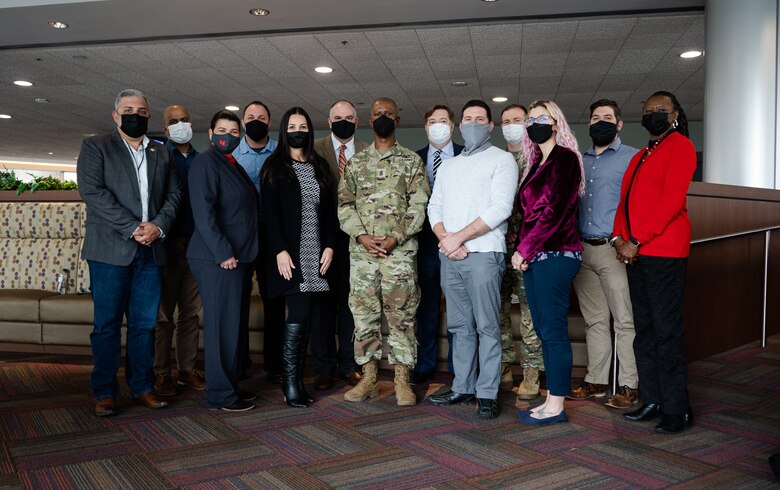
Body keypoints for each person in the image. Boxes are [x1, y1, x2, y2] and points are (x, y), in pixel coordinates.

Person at [77, 88, 181, 417]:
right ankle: (106, 391)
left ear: (149, 115)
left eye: (141, 110)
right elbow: (92, 191)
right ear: (116, 115)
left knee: (144, 325)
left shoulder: (162, 153)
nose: (135, 114)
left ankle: (142, 387)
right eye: (128, 109)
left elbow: (175, 195)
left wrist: (158, 227)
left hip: (151, 252)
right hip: (110, 252)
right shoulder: (96, 146)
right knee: (106, 326)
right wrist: (134, 228)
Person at [427, 100, 518, 420]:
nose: (473, 123)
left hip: (484, 254)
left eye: (480, 119)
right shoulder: (449, 165)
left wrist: (458, 238)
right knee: (459, 326)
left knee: (487, 326)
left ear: (490, 126)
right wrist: (445, 239)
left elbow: (500, 208)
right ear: (460, 126)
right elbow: (433, 207)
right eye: (468, 119)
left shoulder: (503, 160)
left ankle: (488, 392)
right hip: (450, 255)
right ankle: (463, 386)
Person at [338, 96, 430, 406]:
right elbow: (345, 204)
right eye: (377, 113)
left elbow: (419, 204)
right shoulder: (356, 162)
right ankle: (369, 377)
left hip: (399, 253)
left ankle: (402, 378)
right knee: (364, 315)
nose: (383, 118)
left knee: (401, 315)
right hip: (363, 254)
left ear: (397, 120)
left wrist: (396, 237)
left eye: (388, 114)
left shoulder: (410, 161)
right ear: (369, 119)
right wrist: (361, 235)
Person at [614, 91, 696, 434]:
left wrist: (637, 239)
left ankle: (677, 408)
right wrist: (619, 237)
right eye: (648, 111)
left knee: (666, 333)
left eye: (660, 110)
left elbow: (671, 201)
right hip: (636, 254)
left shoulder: (680, 146)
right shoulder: (642, 155)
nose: (653, 115)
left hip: (663, 252)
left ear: (675, 114)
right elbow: (625, 202)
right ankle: (652, 399)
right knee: (644, 332)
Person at [512, 99, 584, 426]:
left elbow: (555, 211)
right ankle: (551, 397)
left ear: (556, 123)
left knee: (553, 331)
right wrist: (525, 251)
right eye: (531, 118)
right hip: (537, 255)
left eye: (542, 117)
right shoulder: (538, 162)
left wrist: (524, 249)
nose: (535, 122)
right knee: (542, 328)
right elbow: (528, 216)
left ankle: (556, 405)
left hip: (557, 253)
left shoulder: (565, 159)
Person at [261, 107, 338, 407]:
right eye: (292, 125)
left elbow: (330, 213)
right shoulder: (274, 167)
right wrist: (279, 249)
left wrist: (330, 245)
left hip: (318, 253)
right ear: (284, 130)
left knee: (311, 320)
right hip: (290, 256)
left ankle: (299, 383)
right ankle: (290, 384)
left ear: (309, 130)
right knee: (299, 315)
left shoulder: (319, 166)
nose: (297, 130)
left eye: (303, 126)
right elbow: (270, 215)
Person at [569, 99, 640, 408]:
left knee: (624, 321)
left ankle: (629, 385)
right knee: (594, 321)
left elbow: (641, 204)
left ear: (619, 124)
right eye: (595, 117)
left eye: (608, 117)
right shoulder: (578, 160)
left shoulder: (633, 158)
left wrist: (631, 240)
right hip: (583, 249)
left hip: (616, 250)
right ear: (589, 124)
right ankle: (596, 380)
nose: (601, 122)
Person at [188, 110, 260, 412]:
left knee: (233, 326)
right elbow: (203, 214)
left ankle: (230, 386)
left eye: (233, 132)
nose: (227, 136)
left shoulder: (231, 164)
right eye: (222, 130)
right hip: (217, 258)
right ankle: (219, 394)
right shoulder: (206, 162)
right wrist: (223, 253)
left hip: (238, 258)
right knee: (221, 327)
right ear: (210, 133)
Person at [311, 100, 369, 390]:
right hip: (320, 241)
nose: (343, 122)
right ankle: (324, 367)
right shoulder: (313, 149)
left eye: (349, 118)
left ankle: (349, 364)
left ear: (357, 122)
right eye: (338, 117)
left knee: (351, 306)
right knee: (322, 307)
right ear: (329, 120)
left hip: (355, 242)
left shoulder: (369, 151)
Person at [153, 104, 204, 397]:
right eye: (174, 121)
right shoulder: (158, 160)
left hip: (196, 249)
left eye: (185, 119)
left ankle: (187, 369)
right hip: (166, 249)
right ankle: (162, 372)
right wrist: (171, 239)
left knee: (190, 315)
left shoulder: (203, 160)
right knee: (163, 317)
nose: (181, 125)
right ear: (165, 129)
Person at [412, 104, 463, 385]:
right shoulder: (414, 159)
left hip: (458, 245)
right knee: (427, 309)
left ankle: (459, 368)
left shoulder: (467, 156)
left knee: (458, 309)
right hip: (426, 247)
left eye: (444, 120)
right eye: (433, 121)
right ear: (426, 127)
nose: (438, 125)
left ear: (453, 126)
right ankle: (425, 364)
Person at [233, 101, 283, 384]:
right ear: (243, 122)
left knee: (273, 302)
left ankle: (274, 364)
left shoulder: (281, 153)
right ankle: (239, 361)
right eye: (250, 117)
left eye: (261, 117)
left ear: (269, 122)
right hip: (240, 238)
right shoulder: (230, 154)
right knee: (237, 301)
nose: (255, 121)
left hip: (272, 236)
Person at [499, 103, 544, 400]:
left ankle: (531, 370)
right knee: (498, 308)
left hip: (531, 248)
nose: (511, 124)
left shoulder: (540, 159)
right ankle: (503, 364)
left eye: (517, 120)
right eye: (506, 121)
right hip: (499, 247)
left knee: (530, 311)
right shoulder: (495, 159)